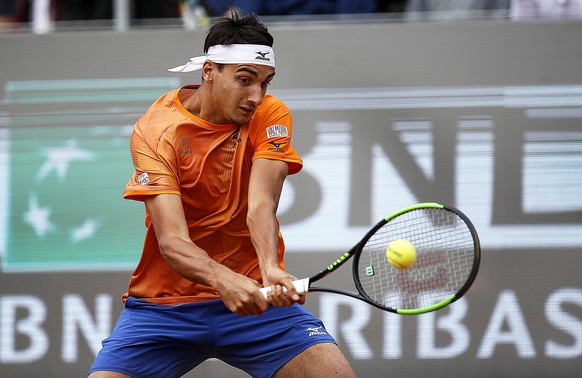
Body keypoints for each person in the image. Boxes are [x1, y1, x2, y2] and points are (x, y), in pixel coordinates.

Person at [88, 7, 356, 378]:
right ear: (209, 72)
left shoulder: (271, 115)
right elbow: (172, 241)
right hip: (164, 308)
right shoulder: (156, 131)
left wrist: (269, 268)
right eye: (246, 80)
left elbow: (261, 205)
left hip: (256, 301)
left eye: (265, 82)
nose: (257, 96)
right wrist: (221, 279)